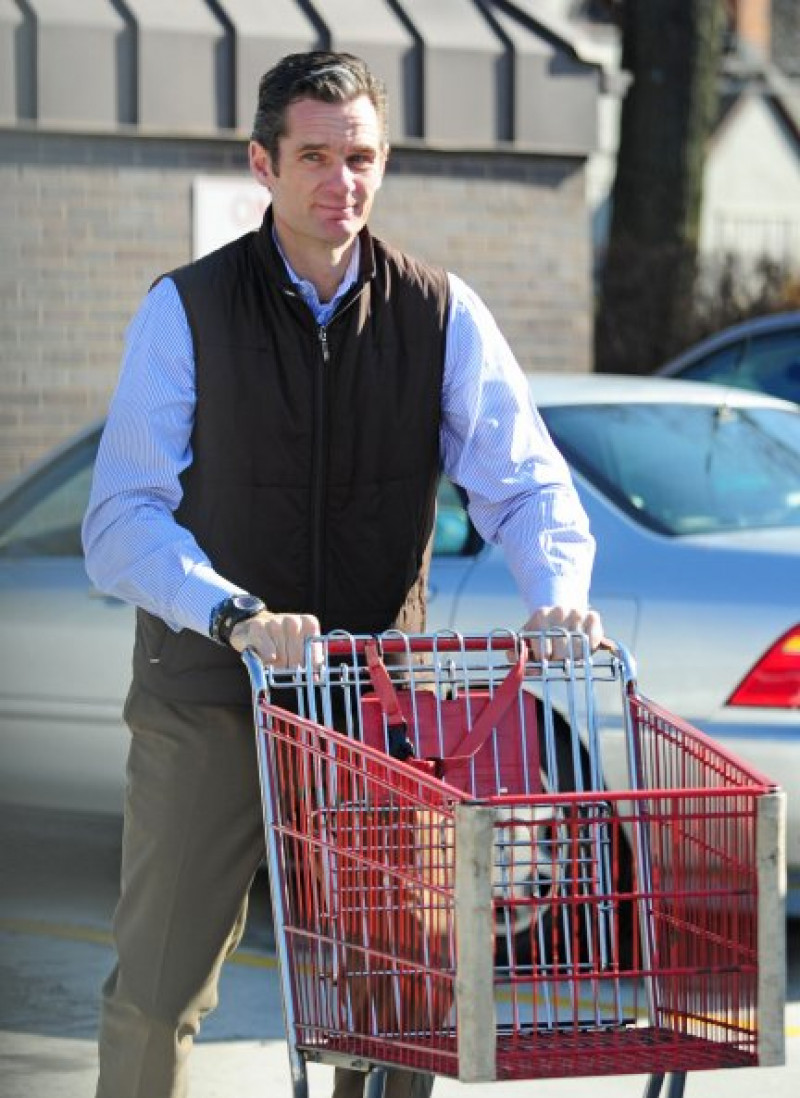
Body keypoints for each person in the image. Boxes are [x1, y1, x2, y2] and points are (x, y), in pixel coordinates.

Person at [83, 49, 603, 1098]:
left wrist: (556, 592)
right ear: (261, 164)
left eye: (358, 155)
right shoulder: (183, 310)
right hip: (208, 698)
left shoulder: (438, 313)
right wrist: (232, 614)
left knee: (406, 992)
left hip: (371, 705)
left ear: (384, 162)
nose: (340, 180)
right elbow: (120, 521)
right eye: (313, 155)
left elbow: (525, 486)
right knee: (157, 991)